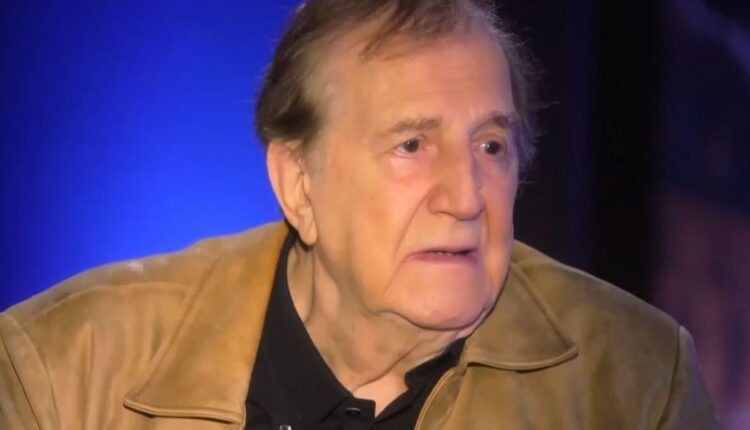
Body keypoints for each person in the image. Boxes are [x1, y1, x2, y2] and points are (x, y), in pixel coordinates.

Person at [0, 0, 720, 429]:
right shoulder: (63, 368)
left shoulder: (634, 381)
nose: (466, 196)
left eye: (491, 146)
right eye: (412, 145)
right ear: (299, 184)